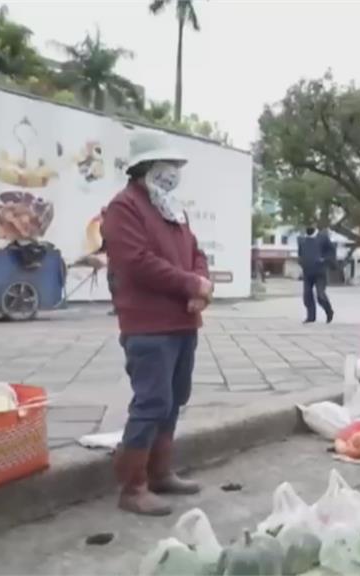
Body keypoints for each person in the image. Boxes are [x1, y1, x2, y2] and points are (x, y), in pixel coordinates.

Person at [102, 132, 213, 516]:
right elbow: (137, 261)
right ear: (145, 168)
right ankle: (133, 487)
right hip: (147, 324)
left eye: (177, 167)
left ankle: (161, 471)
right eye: (168, 166)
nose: (174, 173)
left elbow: (196, 253)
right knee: (151, 401)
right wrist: (190, 283)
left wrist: (200, 284)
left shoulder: (172, 208)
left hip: (183, 320)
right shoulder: (123, 208)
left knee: (174, 398)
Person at [297, 226, 335, 324]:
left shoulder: (323, 238)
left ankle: (329, 311)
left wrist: (325, 259)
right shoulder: (302, 239)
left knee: (320, 295)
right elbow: (300, 253)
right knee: (307, 295)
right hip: (307, 272)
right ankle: (311, 317)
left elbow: (331, 251)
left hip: (320, 272)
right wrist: (301, 262)